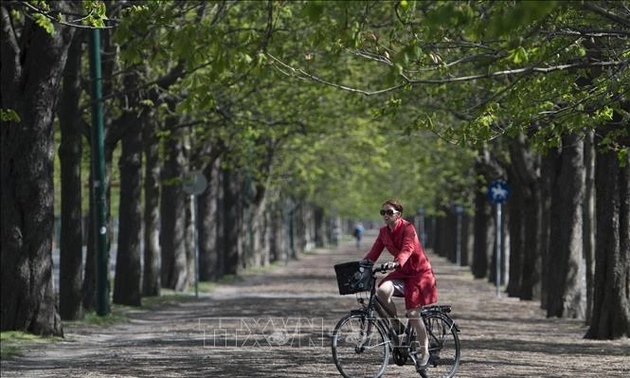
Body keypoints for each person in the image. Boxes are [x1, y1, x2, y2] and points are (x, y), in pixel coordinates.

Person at [362, 199, 437, 372]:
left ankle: (424, 351)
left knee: (412, 313)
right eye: (383, 213)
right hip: (403, 273)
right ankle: (395, 324)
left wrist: (396, 262)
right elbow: (373, 253)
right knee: (381, 292)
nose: (386, 216)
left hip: (419, 274)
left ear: (399, 214)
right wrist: (361, 265)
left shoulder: (408, 228)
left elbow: (408, 248)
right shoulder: (383, 232)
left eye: (389, 212)